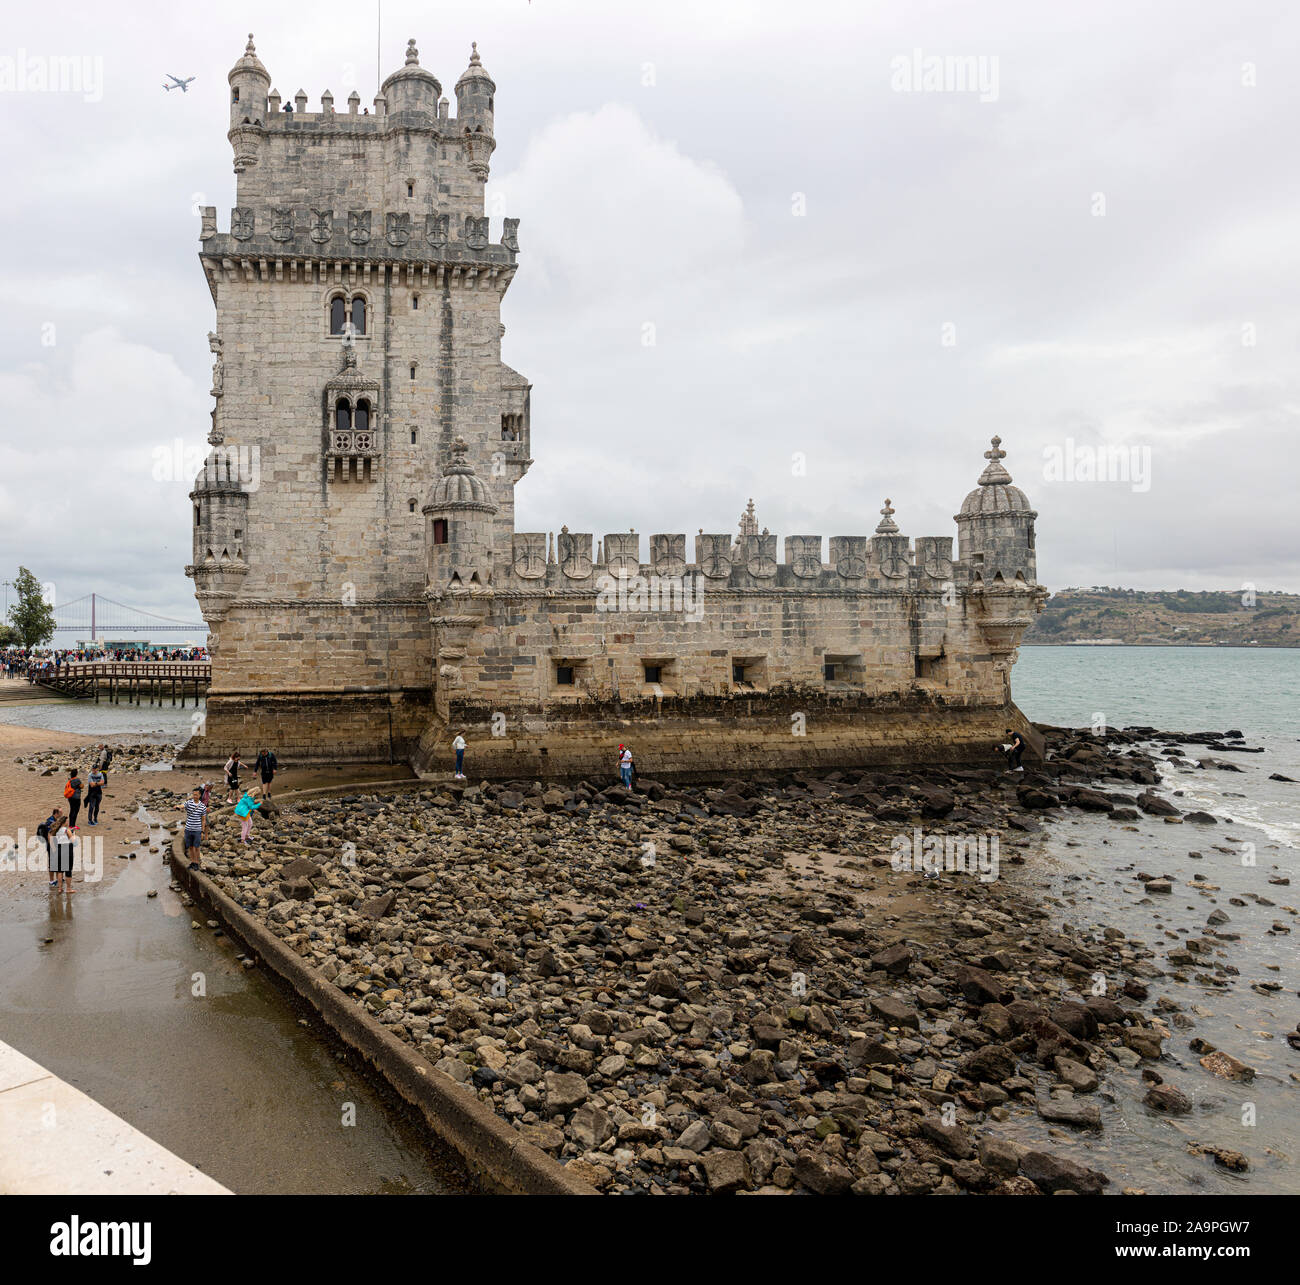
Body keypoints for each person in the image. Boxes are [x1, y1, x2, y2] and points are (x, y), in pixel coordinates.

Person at [181, 787, 208, 868]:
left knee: (196, 848)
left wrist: (202, 832)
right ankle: (192, 862)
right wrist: (178, 806)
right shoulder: (189, 803)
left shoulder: (202, 807)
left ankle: (196, 863)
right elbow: (183, 805)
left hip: (197, 830)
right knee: (190, 847)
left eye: (196, 795)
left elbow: (203, 820)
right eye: (193, 794)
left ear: (199, 795)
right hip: (188, 829)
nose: (194, 796)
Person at [37, 806, 64, 887]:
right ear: (56, 813)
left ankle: (58, 878)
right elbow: (50, 835)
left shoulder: (56, 820)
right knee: (52, 863)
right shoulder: (50, 821)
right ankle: (51, 881)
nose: (62, 813)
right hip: (52, 845)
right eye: (61, 812)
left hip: (56, 844)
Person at [51, 818, 76, 893]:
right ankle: (68, 889)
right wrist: (73, 833)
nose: (68, 822)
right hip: (67, 850)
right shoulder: (66, 830)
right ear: (64, 822)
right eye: (67, 821)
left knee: (60, 871)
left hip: (59, 850)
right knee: (68, 870)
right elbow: (73, 841)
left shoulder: (56, 830)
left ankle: (60, 888)